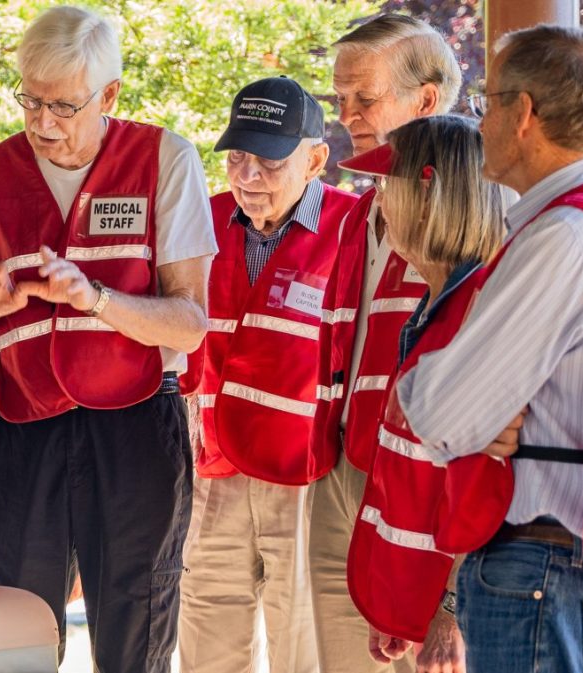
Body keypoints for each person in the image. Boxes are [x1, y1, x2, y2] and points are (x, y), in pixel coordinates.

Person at [373, 26, 583, 672]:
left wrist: (446, 397)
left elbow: (437, 412)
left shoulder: (565, 237)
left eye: (489, 102)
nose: (480, 121)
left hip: (548, 574)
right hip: (576, 573)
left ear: (525, 115)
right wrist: (474, 410)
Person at [0, 6, 216, 670]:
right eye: (30, 100)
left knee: (135, 615)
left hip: (135, 425)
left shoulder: (163, 159)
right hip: (24, 426)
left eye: (62, 106)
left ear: (110, 95)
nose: (41, 123)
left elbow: (191, 320)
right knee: (17, 620)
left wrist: (95, 297)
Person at [176, 76, 361, 673]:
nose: (248, 176)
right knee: (207, 649)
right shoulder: (201, 225)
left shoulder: (357, 229)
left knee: (301, 650)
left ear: (314, 159)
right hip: (213, 477)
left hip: (305, 481)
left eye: (268, 161)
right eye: (236, 157)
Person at [311, 14, 466, 673]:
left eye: (363, 98)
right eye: (339, 99)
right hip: (339, 476)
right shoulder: (354, 212)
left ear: (425, 99)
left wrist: (452, 595)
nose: (346, 116)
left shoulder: (475, 216)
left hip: (423, 487)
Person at [328, 115, 504, 662]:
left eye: (386, 186)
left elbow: (486, 486)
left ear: (427, 195)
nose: (377, 201)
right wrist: (400, 605)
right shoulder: (436, 303)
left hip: (465, 616)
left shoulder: (479, 312)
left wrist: (450, 614)